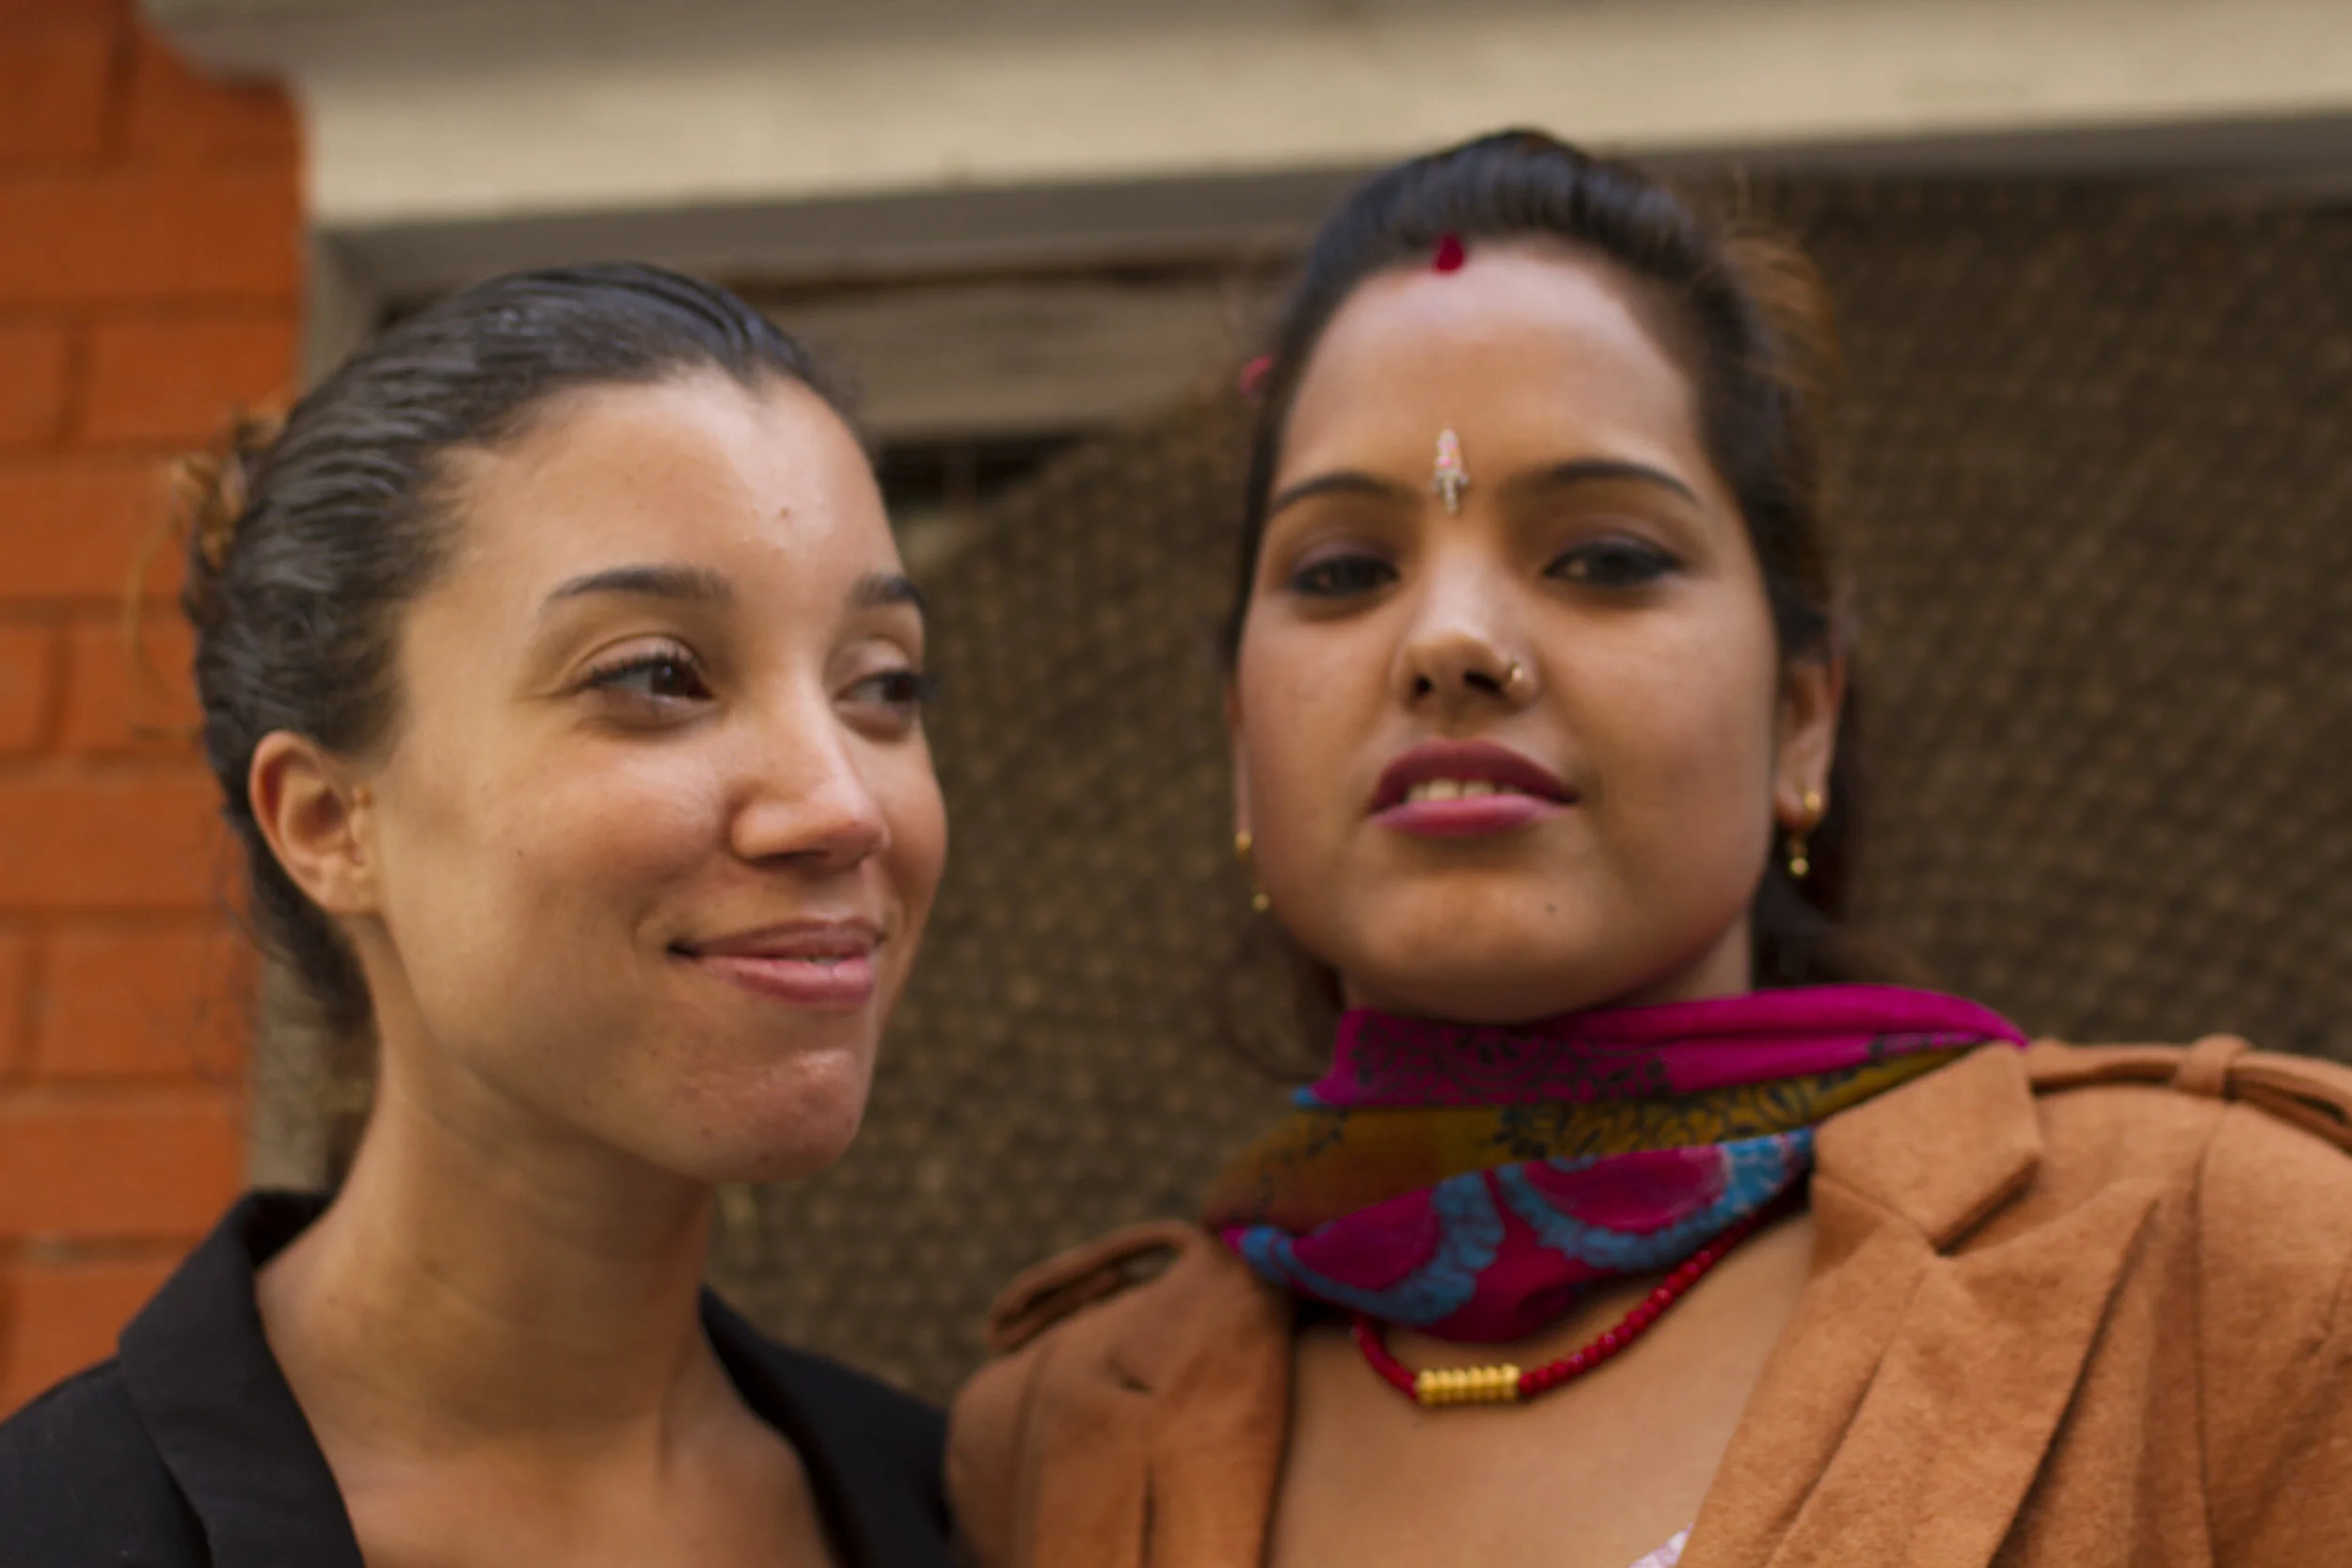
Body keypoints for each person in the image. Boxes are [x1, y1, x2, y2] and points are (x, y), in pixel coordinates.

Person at [946, 132, 2352, 1568]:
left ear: (1803, 717)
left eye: (1605, 558)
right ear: (1245, 738)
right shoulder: (1057, 1447)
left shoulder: (2236, 1264)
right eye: (1346, 570)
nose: (1451, 641)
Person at [0, 263, 954, 1568]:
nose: (840, 805)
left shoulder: (982, 1512)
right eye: (658, 675)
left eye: (882, 684)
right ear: (329, 822)